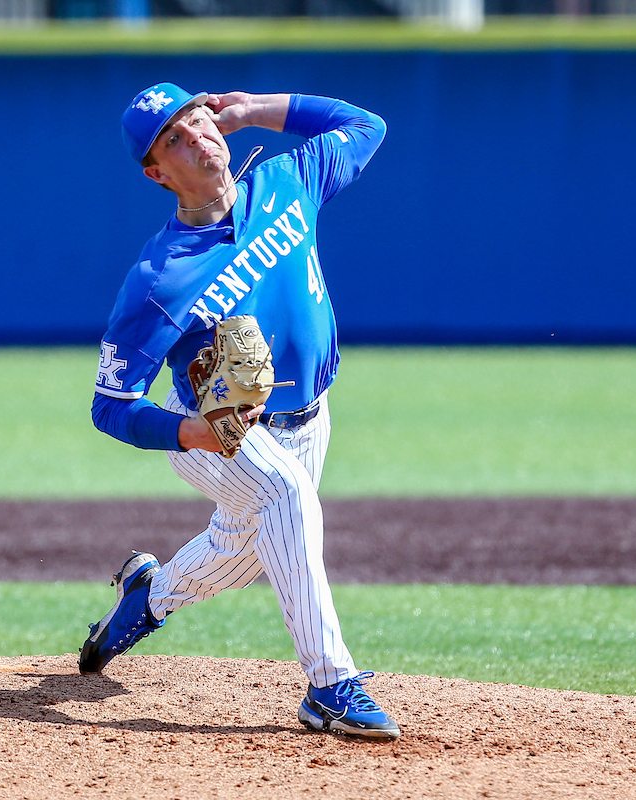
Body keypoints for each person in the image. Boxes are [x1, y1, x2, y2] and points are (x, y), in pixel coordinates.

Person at [78, 82, 399, 739]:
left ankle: (148, 597)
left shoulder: (287, 181)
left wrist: (257, 108)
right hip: (216, 429)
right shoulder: (160, 277)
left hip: (311, 413)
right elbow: (110, 406)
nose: (196, 135)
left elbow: (366, 123)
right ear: (157, 173)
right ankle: (330, 686)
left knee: (242, 550)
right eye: (173, 137)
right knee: (284, 499)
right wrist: (188, 432)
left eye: (197, 118)